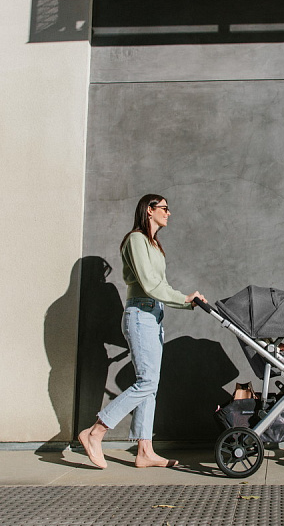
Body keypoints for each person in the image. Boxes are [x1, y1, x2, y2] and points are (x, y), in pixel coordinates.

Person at [78, 194, 206, 469]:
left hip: (154, 316)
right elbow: (148, 283)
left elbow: (162, 285)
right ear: (149, 210)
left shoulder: (154, 245)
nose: (169, 213)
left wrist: (188, 302)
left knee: (150, 385)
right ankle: (95, 432)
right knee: (146, 382)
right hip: (140, 315)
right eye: (164, 208)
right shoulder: (136, 240)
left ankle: (145, 450)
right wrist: (184, 298)